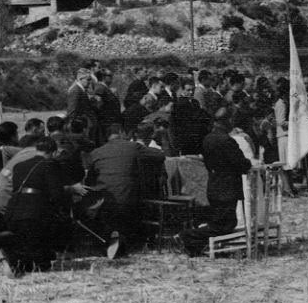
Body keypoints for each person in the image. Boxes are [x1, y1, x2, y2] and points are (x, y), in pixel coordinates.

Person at [177, 109, 253, 257]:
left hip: (214, 185)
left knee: (222, 223)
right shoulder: (227, 140)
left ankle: (194, 243)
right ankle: (188, 236)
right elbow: (241, 163)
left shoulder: (208, 139)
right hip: (227, 188)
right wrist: (248, 163)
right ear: (225, 121)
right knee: (223, 226)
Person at [86, 124, 165, 255]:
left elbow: (90, 180)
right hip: (128, 200)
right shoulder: (133, 147)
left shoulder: (96, 152)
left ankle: (110, 240)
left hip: (102, 202)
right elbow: (160, 155)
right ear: (122, 132)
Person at [1, 137, 72, 274]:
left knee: (24, 248)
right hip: (35, 214)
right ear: (53, 152)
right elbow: (56, 194)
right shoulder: (50, 164)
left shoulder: (19, 165)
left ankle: (15, 262)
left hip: (13, 211)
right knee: (41, 262)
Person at [66, 68, 98, 144]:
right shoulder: (75, 90)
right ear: (80, 79)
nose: (90, 82)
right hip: (83, 128)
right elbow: (71, 111)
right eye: (88, 79)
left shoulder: (81, 90)